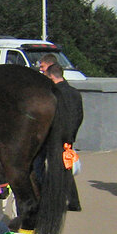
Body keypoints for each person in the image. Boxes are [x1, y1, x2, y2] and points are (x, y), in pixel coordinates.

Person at [43, 62, 84, 211]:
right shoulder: (75, 92)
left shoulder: (53, 93)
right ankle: (73, 201)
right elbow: (80, 115)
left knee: (56, 169)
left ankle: (57, 202)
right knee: (65, 168)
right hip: (69, 136)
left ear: (51, 76)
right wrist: (72, 134)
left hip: (55, 136)